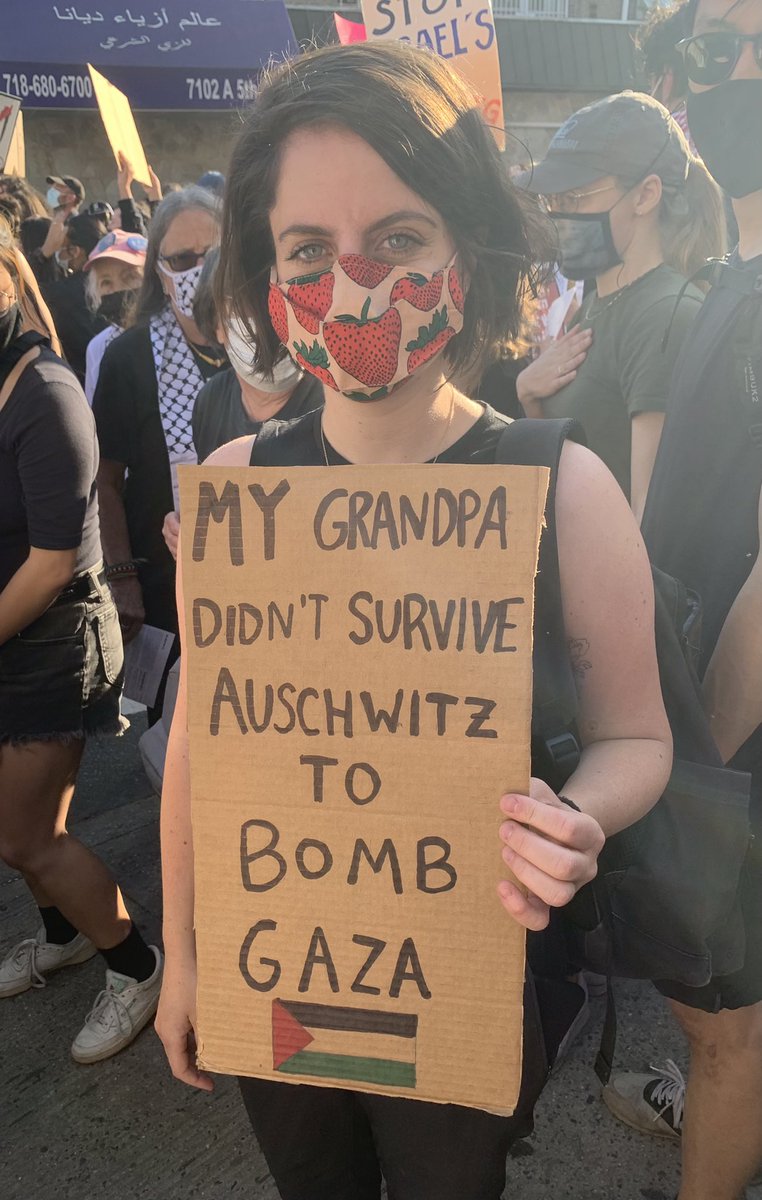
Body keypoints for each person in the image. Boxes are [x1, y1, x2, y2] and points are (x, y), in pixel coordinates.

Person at [156, 42, 673, 1200]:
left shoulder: (563, 490)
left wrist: (579, 816)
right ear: (264, 275)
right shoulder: (239, 491)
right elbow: (200, 746)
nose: (354, 284)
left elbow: (637, 736)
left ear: (466, 251)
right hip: (279, 977)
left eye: (397, 238)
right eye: (307, 250)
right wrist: (182, 956)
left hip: (464, 983)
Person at [601, 3, 762, 1199]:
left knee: (727, 1026)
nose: (735, 72)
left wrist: (692, 755)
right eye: (711, 50)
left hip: (728, 737)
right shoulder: (734, 283)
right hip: (709, 730)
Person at [0, 226, 162, 1061]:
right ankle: (62, 933)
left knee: (28, 836)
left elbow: (52, 561)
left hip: (52, 649)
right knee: (13, 825)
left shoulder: (46, 392)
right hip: (13, 640)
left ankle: (137, 967)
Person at [515, 91, 725, 522]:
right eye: (554, 201)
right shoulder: (597, 301)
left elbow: (649, 520)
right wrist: (529, 394)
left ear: (645, 195)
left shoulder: (663, 315)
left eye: (574, 198)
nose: (559, 216)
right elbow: (569, 465)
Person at [93, 187, 224, 723]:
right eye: (182, 260)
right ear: (161, 273)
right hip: (163, 588)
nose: (198, 271)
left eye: (211, 255)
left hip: (261, 589)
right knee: (171, 737)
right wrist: (121, 576)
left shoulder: (271, 350)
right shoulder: (129, 358)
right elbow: (104, 479)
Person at [38, 211, 110, 385]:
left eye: (62, 247)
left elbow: (30, 295)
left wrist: (43, 254)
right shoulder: (112, 283)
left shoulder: (64, 293)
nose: (59, 253)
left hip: (80, 381)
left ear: (75, 251)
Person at [83, 229, 147, 404]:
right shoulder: (98, 348)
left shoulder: (178, 334)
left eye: (130, 276)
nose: (118, 289)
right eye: (106, 282)